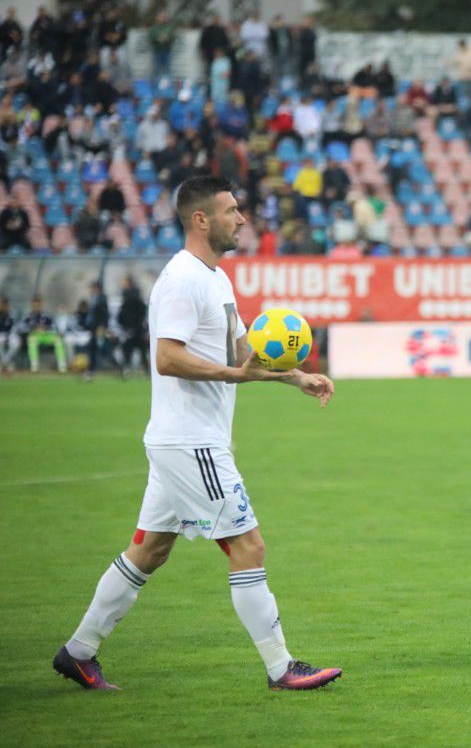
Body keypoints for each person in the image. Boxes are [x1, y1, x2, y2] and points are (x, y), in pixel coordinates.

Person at [52, 176, 341, 692]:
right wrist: (238, 376)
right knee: (248, 547)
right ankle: (281, 667)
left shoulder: (217, 278)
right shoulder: (182, 279)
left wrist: (294, 376)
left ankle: (77, 652)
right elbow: (167, 357)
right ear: (201, 219)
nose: (242, 218)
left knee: (150, 549)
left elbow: (238, 352)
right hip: (192, 442)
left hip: (181, 440)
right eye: (232, 210)